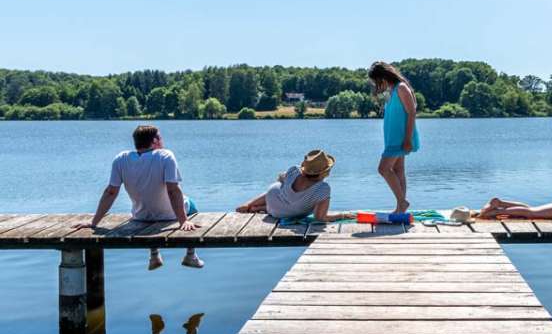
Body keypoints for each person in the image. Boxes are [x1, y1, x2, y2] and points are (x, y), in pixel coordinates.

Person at [74, 125, 204, 270]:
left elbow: (110, 192)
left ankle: (154, 255)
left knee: (151, 208)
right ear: (155, 141)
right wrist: (183, 221)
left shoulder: (121, 159)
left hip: (140, 216)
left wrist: (94, 223)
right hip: (169, 215)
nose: (162, 140)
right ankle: (191, 255)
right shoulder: (166, 156)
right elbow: (173, 191)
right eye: (160, 137)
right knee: (192, 205)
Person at [236, 149, 354, 222]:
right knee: (293, 203)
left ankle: (249, 204)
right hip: (282, 213)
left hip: (273, 200)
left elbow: (280, 178)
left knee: (278, 187)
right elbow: (320, 217)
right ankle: (260, 208)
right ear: (325, 171)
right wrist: (341, 215)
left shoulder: (294, 170)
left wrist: (287, 184)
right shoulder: (322, 189)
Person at [368, 61, 420, 214]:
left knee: (383, 169)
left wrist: (407, 139)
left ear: (383, 77)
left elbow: (412, 113)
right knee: (398, 170)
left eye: (377, 81)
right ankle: (400, 208)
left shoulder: (401, 88)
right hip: (393, 138)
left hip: (401, 139)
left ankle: (402, 202)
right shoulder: (392, 90)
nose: (377, 85)